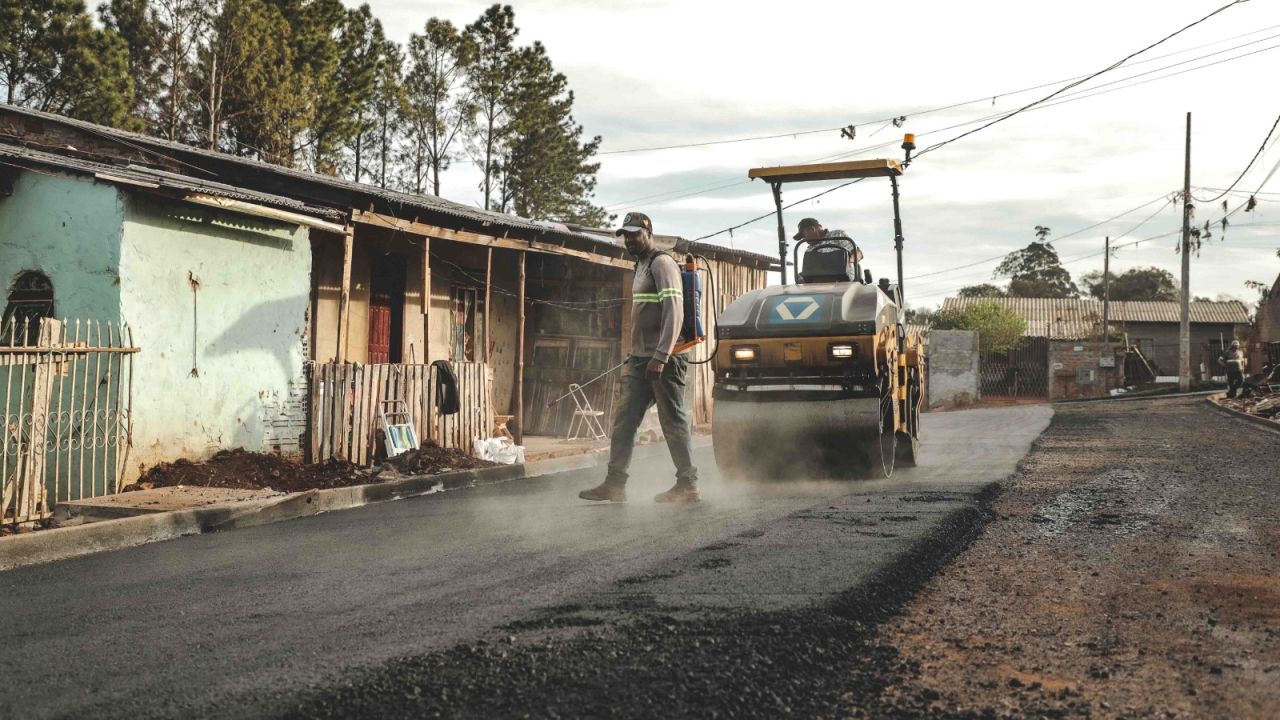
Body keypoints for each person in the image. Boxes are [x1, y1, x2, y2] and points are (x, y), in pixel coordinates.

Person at [579, 212, 700, 503]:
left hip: (665, 359)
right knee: (624, 420)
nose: (630, 239)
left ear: (648, 233)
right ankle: (615, 483)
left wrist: (660, 356)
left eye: (635, 233)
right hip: (640, 359)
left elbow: (675, 312)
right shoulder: (641, 266)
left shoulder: (662, 263)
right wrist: (638, 354)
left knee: (672, 421)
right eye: (626, 234)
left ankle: (688, 484)